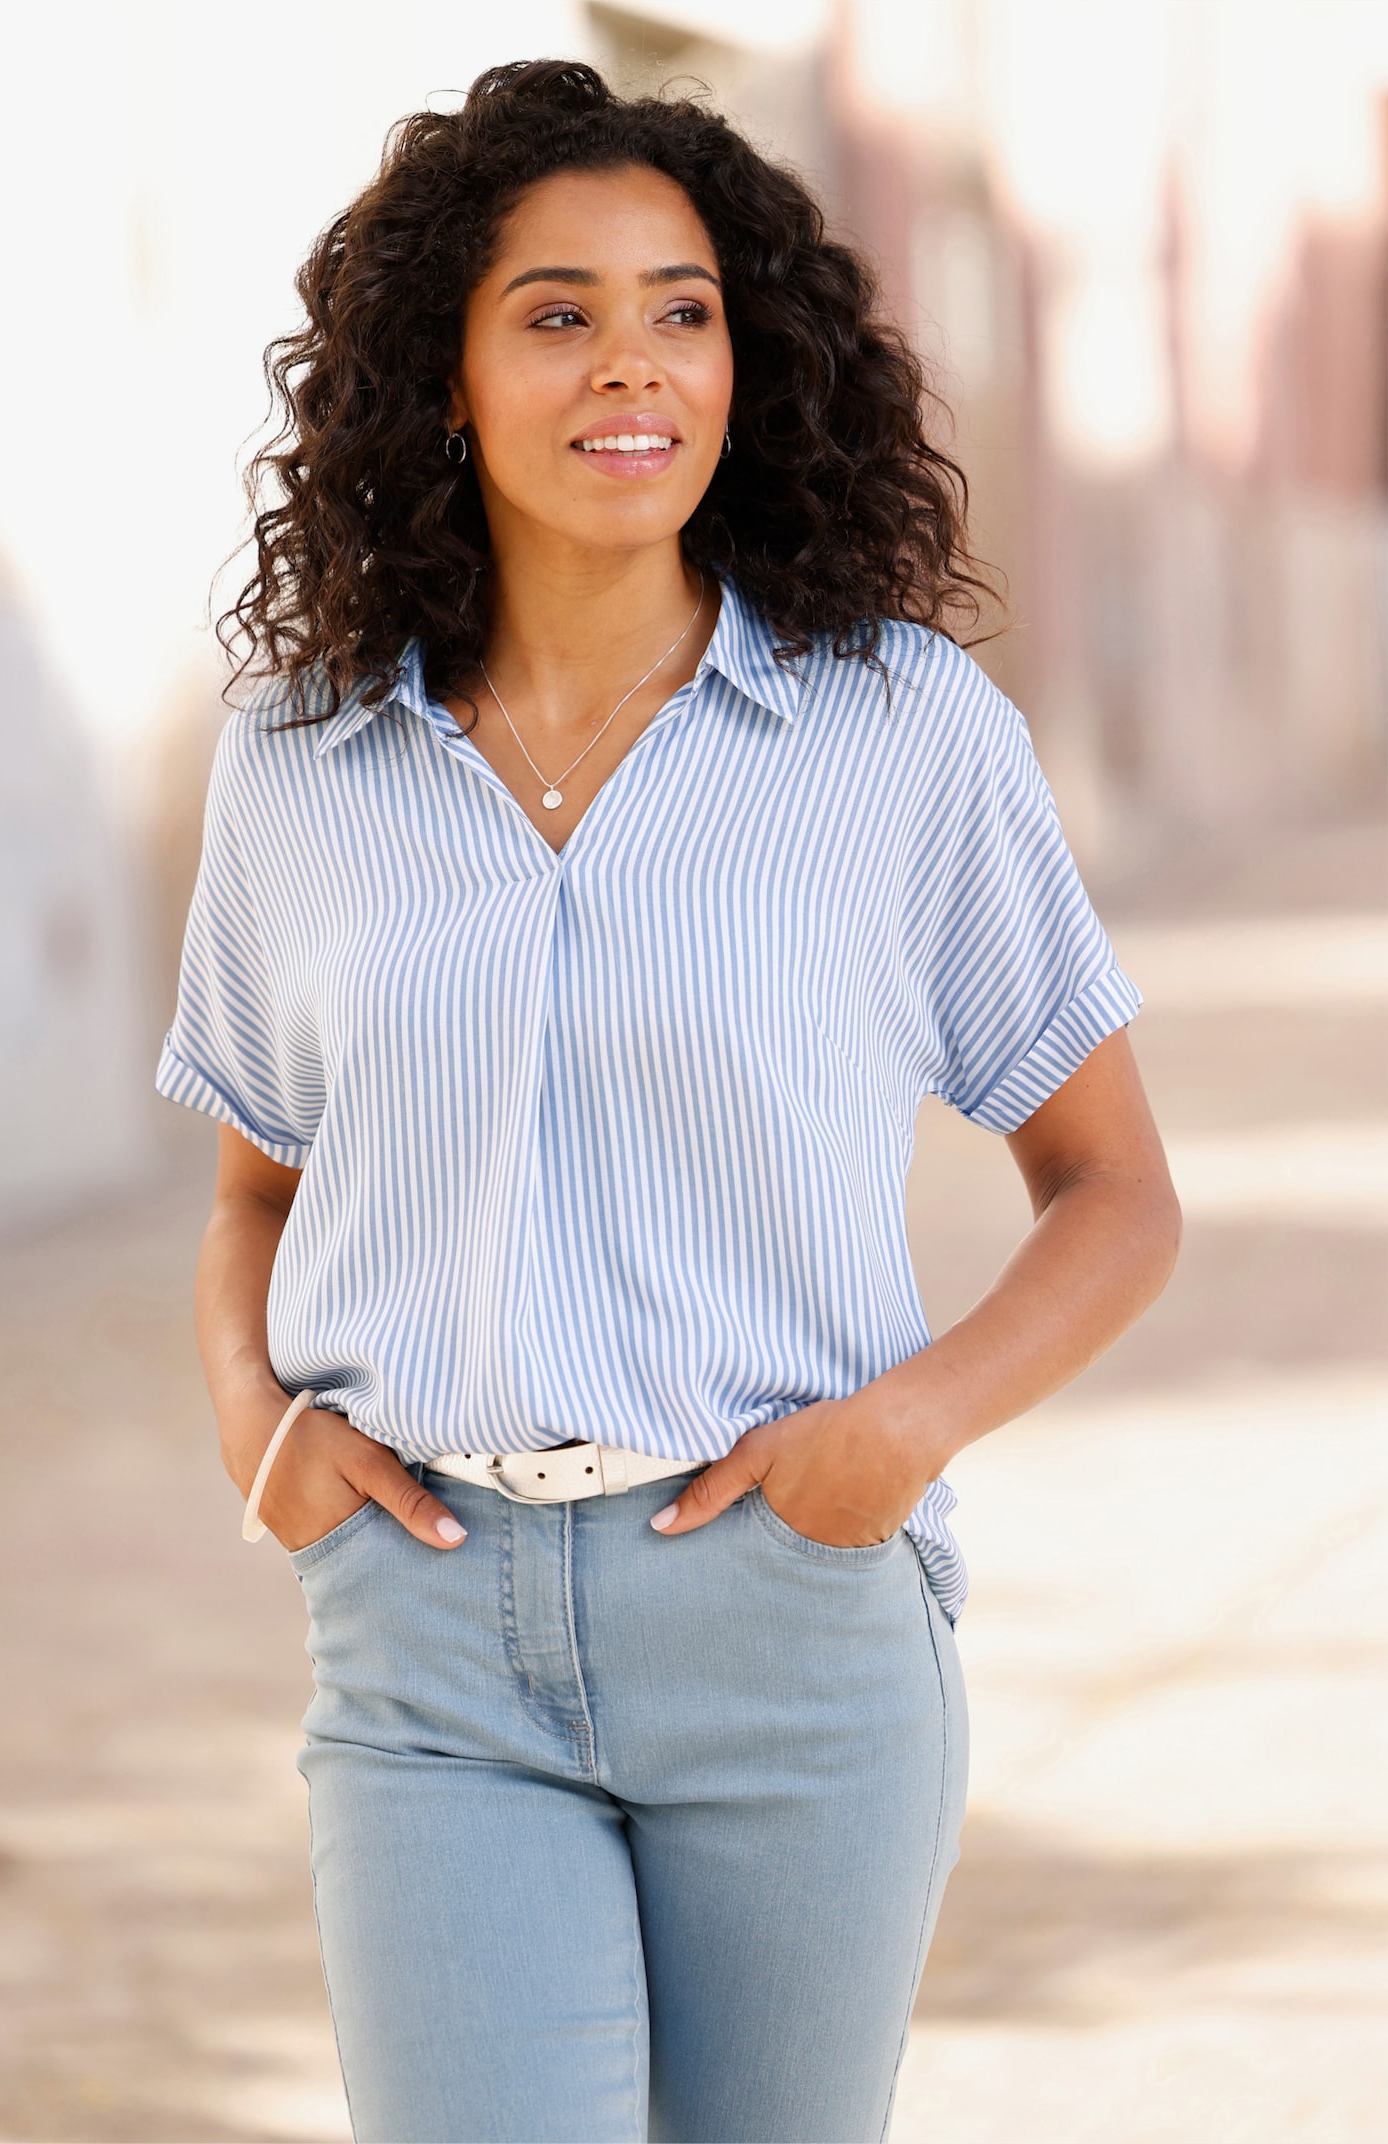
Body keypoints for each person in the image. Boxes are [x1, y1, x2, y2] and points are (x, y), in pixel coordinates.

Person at [157, 59, 1180, 2144]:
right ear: (443, 381)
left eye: (681, 310)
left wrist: (898, 1433)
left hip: (786, 1623)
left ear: (745, 364)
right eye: (557, 313)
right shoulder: (300, 762)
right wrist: (260, 1431)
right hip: (429, 1642)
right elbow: (256, 1193)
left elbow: (1114, 1193)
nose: (631, 362)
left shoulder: (901, 737)